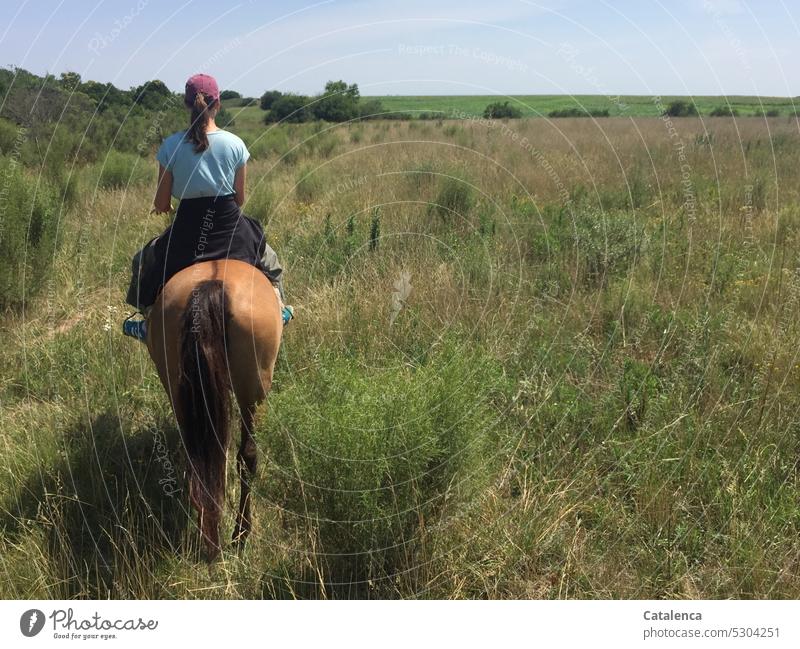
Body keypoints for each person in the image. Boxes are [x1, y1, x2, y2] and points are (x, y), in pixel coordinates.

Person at [123, 73, 292, 341]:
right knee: (270, 260)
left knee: (142, 260)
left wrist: (165, 206)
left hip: (187, 229)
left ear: (186, 104)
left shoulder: (170, 146)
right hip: (229, 227)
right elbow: (239, 199)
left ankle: (146, 322)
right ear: (218, 104)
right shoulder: (235, 144)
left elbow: (162, 203)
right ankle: (280, 309)